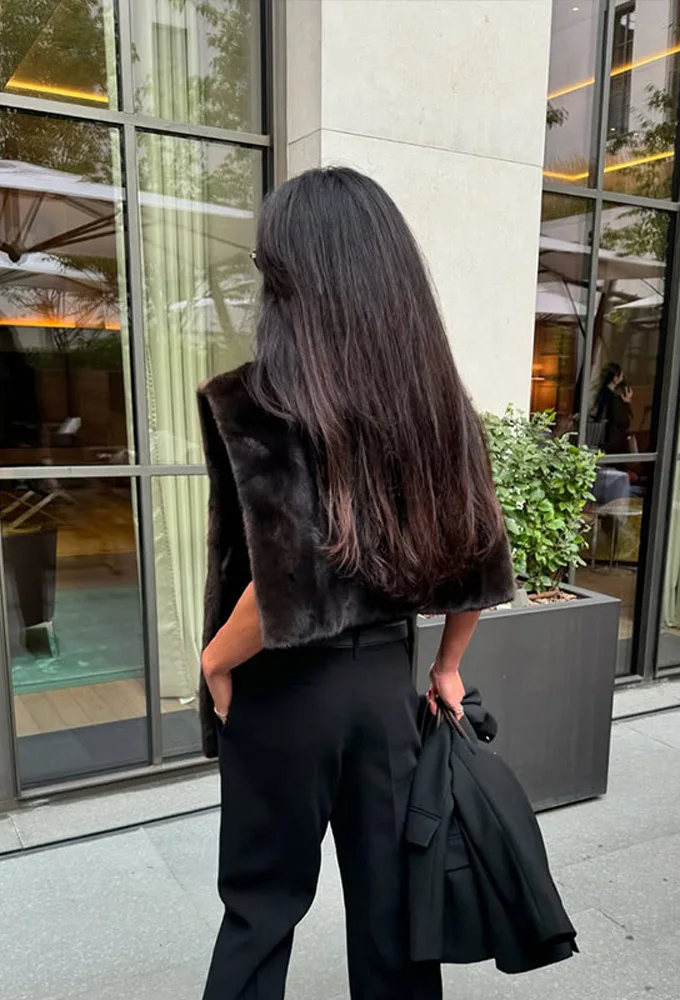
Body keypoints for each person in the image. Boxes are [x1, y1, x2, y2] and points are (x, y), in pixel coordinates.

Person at [198, 167, 516, 1000]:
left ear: (288, 278)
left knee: (260, 911)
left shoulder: (254, 403)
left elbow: (285, 578)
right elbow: (480, 555)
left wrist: (215, 661)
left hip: (283, 690)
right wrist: (447, 666)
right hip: (383, 692)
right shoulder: (435, 403)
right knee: (392, 915)